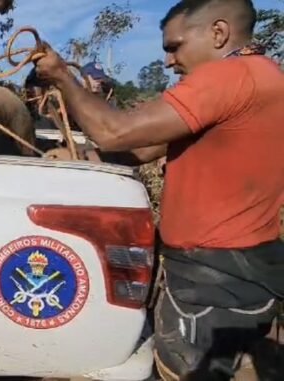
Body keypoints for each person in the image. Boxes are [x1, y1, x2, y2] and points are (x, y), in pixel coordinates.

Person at [33, 0, 284, 380]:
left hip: (210, 283)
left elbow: (115, 132)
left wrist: (61, 78)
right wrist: (76, 155)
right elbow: (140, 148)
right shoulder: (264, 77)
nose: (168, 61)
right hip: (245, 274)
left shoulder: (229, 77)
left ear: (218, 33)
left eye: (175, 46)